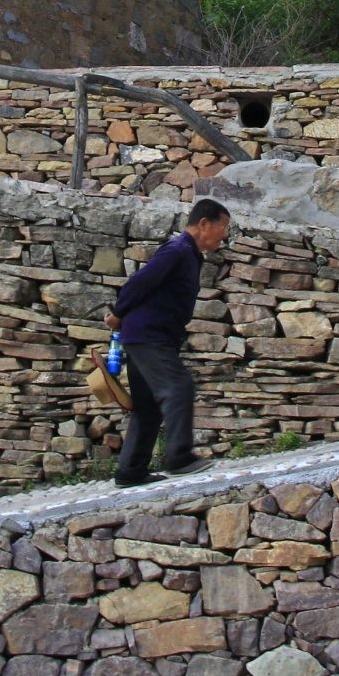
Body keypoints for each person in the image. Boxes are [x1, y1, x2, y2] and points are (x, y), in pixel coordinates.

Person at [104, 198, 231, 487]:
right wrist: (117, 313)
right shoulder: (177, 250)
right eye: (223, 227)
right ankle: (179, 457)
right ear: (204, 224)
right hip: (148, 335)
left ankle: (130, 472)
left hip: (148, 335)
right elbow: (139, 282)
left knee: (147, 405)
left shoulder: (189, 254)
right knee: (178, 386)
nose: (225, 235)